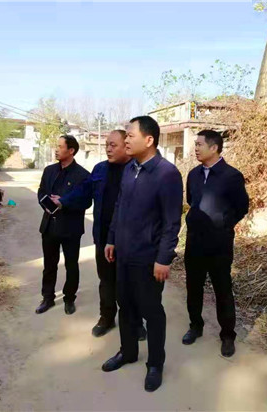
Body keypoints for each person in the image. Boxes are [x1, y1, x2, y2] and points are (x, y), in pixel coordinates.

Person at [101, 116, 183, 393]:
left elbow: (172, 222)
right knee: (125, 305)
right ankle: (128, 352)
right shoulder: (129, 169)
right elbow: (119, 206)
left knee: (151, 311)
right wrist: (112, 239)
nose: (125, 140)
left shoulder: (167, 173)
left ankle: (155, 364)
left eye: (130, 135)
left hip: (148, 258)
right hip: (123, 254)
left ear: (148, 140)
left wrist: (163, 258)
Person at [55, 130, 147, 339]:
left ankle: (135, 322)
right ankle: (106, 317)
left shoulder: (138, 171)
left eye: (113, 145)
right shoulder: (100, 169)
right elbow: (84, 191)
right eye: (107, 145)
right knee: (106, 280)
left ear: (126, 146)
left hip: (129, 240)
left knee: (130, 283)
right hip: (103, 237)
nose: (108, 149)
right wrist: (63, 201)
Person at [182, 130, 249, 357]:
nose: (195, 148)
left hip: (219, 244)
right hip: (194, 242)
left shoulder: (232, 176)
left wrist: (223, 223)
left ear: (214, 148)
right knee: (193, 287)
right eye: (195, 144)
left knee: (222, 289)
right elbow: (191, 200)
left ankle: (227, 335)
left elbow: (242, 207)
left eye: (199, 144)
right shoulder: (193, 174)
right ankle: (195, 326)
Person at [35, 135, 91, 315]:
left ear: (71, 150)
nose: (56, 150)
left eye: (60, 146)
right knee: (49, 264)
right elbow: (41, 191)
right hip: (49, 225)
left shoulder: (83, 175)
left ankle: (69, 298)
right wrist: (47, 205)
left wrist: (63, 203)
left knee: (71, 265)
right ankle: (47, 297)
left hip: (70, 227)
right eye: (56, 146)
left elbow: (86, 201)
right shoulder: (49, 170)